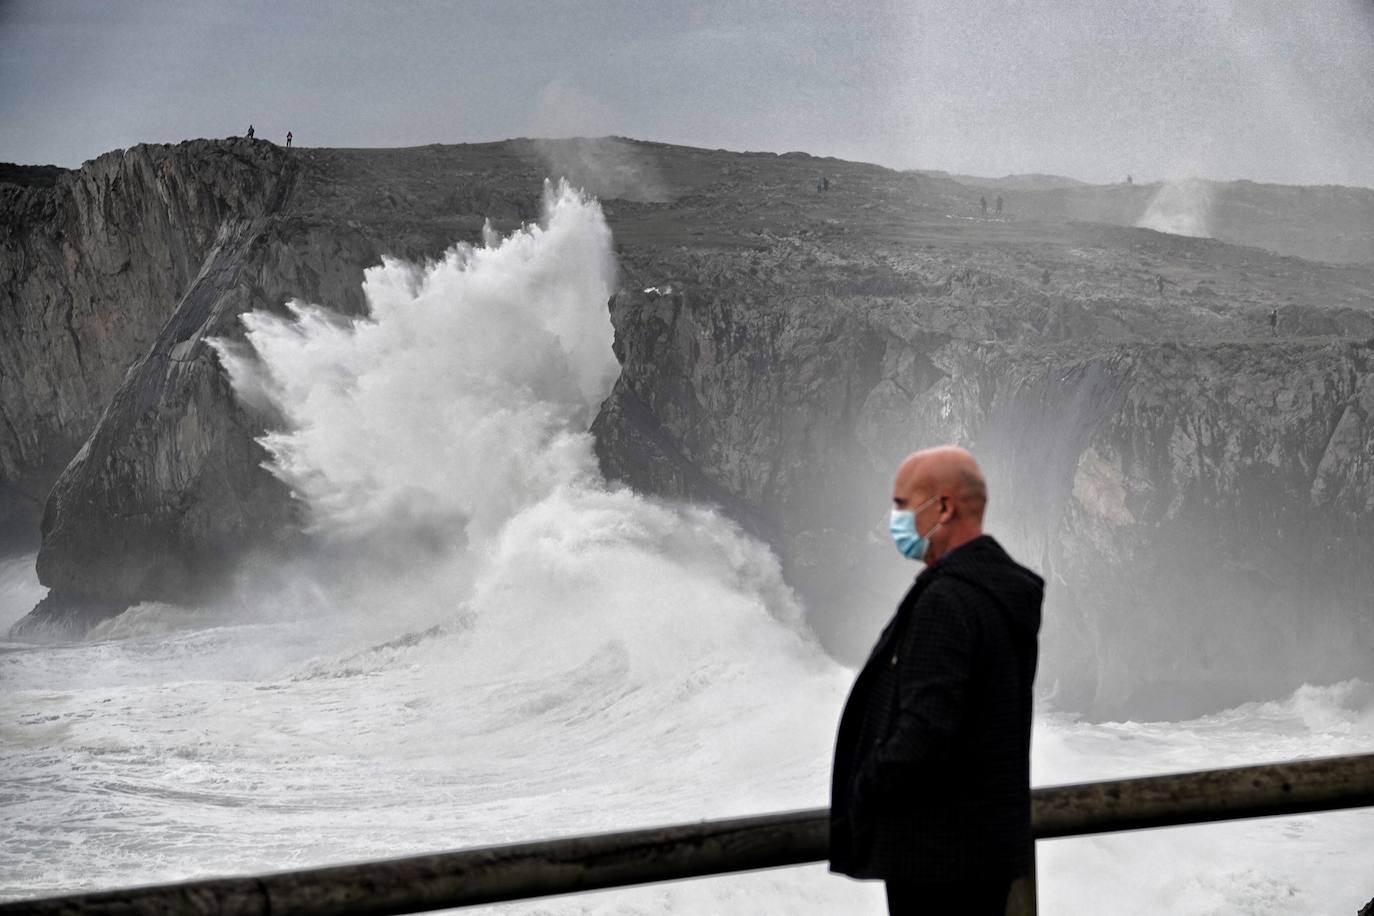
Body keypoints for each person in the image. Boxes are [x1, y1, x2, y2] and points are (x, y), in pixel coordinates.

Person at [830, 446, 1043, 915]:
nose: (894, 519)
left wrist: (865, 786)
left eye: (902, 505)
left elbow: (926, 729)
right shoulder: (1000, 593)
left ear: (943, 508)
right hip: (982, 852)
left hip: (934, 860)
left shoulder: (947, 601)